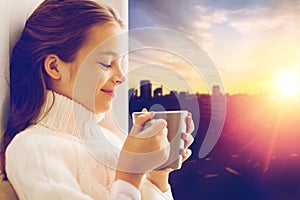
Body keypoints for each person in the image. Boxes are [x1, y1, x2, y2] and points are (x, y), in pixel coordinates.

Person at [1, 0, 194, 199]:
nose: (121, 76)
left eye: (121, 63)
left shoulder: (110, 141)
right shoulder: (32, 149)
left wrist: (156, 176)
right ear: (55, 67)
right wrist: (130, 173)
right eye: (106, 63)